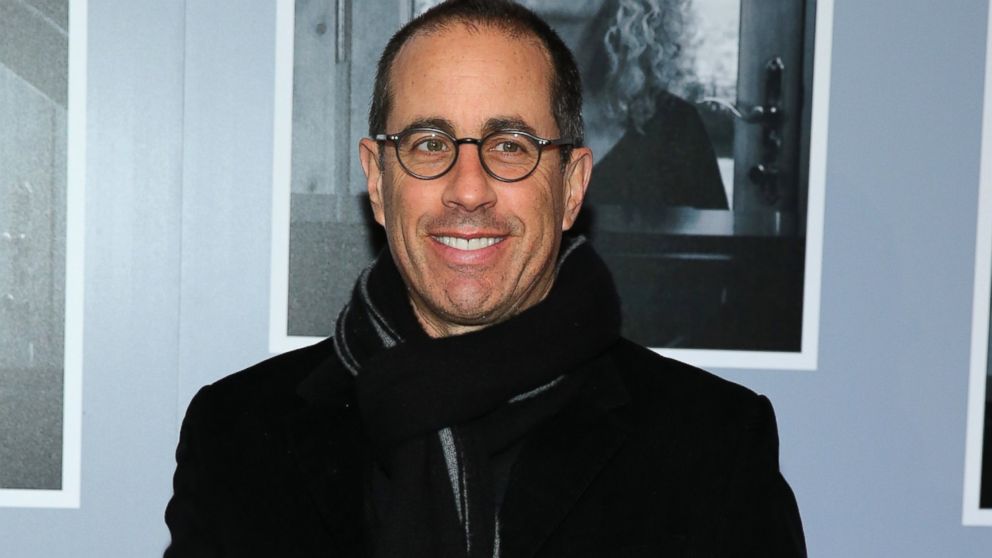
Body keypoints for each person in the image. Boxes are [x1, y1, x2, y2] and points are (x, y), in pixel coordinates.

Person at [164, 1, 805, 556]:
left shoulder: (712, 448)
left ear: (573, 186)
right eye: (430, 143)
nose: (468, 191)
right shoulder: (239, 435)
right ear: (377, 181)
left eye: (510, 146)